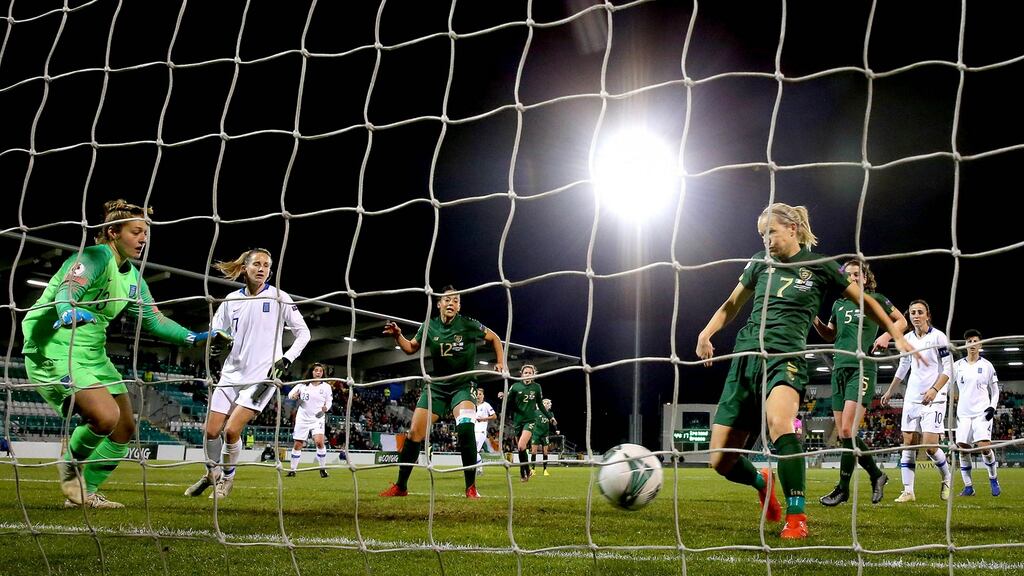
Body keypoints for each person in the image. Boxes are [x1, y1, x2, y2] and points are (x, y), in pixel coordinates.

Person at [696, 203, 918, 540]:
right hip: (746, 357)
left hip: (785, 357)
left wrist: (895, 333)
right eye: (762, 234)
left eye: (771, 232)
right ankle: (761, 481)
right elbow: (731, 305)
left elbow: (866, 301)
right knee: (720, 460)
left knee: (780, 424)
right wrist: (706, 334)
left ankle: (796, 516)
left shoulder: (821, 266)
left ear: (792, 229)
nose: (766, 240)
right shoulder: (758, 263)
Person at [21, 200, 229, 508]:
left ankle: (83, 495)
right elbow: (69, 290)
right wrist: (67, 311)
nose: (143, 239)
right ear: (112, 232)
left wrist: (195, 338)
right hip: (54, 346)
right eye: (136, 232)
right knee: (105, 416)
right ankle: (70, 468)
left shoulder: (133, 278)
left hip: (92, 353)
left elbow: (155, 320)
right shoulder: (94, 257)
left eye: (145, 233)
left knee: (124, 428)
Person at [183, 248, 310, 499]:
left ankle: (227, 480)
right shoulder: (231, 300)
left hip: (263, 377)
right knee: (210, 431)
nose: (262, 269)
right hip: (231, 375)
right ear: (245, 268)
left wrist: (286, 359)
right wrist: (214, 343)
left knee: (231, 431)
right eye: (257, 264)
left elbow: (304, 333)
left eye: (266, 265)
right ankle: (212, 474)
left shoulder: (279, 297)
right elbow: (216, 330)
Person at [378, 286, 505, 499]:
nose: (451, 303)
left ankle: (471, 488)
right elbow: (410, 348)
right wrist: (398, 336)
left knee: (466, 428)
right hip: (436, 386)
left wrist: (500, 362)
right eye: (447, 300)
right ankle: (401, 487)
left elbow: (495, 338)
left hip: (463, 386)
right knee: (414, 434)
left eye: (455, 300)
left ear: (459, 306)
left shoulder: (468, 324)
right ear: (439, 304)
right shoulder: (429, 326)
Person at [813, 259, 907, 507]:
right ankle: (877, 475)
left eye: (857, 274)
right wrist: (816, 321)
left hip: (862, 369)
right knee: (846, 436)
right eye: (849, 274)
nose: (853, 278)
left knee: (847, 431)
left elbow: (901, 321)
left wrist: (886, 335)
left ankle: (843, 489)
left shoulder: (875, 299)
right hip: (839, 370)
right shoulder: (839, 304)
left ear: (865, 278)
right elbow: (830, 334)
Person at [881, 299, 954, 503]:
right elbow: (903, 365)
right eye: (912, 312)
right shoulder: (907, 338)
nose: (916, 316)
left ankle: (947, 477)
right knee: (908, 443)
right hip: (912, 397)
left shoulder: (939, 337)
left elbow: (949, 368)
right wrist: (890, 391)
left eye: (920, 312)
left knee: (930, 446)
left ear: (928, 315)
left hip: (934, 397)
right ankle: (908, 491)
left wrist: (934, 389)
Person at [953, 329, 1001, 496]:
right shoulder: (957, 366)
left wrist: (992, 407)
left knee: (984, 448)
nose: (972, 344)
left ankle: (993, 478)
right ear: (965, 344)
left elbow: (995, 390)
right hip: (963, 414)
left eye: (975, 341)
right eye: (969, 341)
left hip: (982, 412)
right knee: (963, 449)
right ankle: (968, 487)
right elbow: (946, 383)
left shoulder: (987, 365)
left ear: (980, 345)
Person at [504, 364, 554, 482]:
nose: (527, 374)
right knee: (521, 449)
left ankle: (524, 472)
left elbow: (540, 404)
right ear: (521, 374)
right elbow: (508, 403)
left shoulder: (536, 387)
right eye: (525, 372)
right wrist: (504, 397)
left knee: (521, 445)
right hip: (517, 421)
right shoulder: (515, 386)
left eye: (530, 373)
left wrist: (550, 417)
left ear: (533, 374)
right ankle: (525, 471)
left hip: (530, 420)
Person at [286, 362, 333, 478]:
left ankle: (322, 469)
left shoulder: (326, 387)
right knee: (298, 444)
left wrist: (326, 407)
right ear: (311, 372)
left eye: (320, 371)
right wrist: (293, 396)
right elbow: (290, 394)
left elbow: (329, 401)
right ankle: (292, 470)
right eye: (316, 370)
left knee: (319, 442)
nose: (318, 373)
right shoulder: (302, 385)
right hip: (302, 418)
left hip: (318, 417)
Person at [531, 398, 559, 476]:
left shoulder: (550, 413)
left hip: (545, 434)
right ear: (544, 404)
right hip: (536, 434)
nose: (550, 405)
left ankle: (545, 470)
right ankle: (533, 469)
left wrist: (556, 428)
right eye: (549, 403)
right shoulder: (536, 412)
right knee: (533, 452)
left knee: (545, 452)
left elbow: (554, 423)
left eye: (550, 404)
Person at [474, 387, 497, 476]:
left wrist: (484, 418)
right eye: (477, 394)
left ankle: (479, 468)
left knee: (475, 450)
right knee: (472, 451)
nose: (478, 396)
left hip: (481, 432)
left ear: (483, 396)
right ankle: (476, 468)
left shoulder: (486, 405)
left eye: (480, 394)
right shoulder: (473, 405)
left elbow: (494, 416)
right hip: (473, 431)